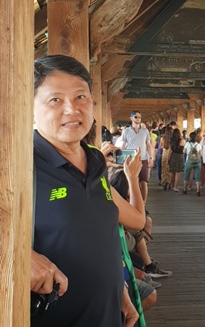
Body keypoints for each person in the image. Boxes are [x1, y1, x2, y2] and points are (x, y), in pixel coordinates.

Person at [32, 54, 146, 327]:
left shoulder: (95, 161)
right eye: (55, 100)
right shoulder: (17, 164)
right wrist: (18, 257)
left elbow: (96, 235)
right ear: (30, 106)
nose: (72, 109)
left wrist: (118, 290)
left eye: (81, 97)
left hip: (108, 313)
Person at [118, 111, 155, 202]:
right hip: (131, 160)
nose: (138, 118)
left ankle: (143, 204)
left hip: (143, 159)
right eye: (136, 117)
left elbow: (149, 145)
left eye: (139, 117)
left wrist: (151, 157)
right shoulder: (126, 131)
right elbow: (123, 145)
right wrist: (119, 158)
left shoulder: (145, 131)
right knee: (131, 182)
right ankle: (133, 203)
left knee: (144, 182)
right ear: (131, 118)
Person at [183, 131, 202, 195]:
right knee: (197, 177)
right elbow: (200, 154)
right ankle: (198, 191)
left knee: (186, 176)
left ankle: (185, 190)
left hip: (189, 161)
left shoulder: (187, 144)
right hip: (197, 162)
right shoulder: (198, 145)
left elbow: (184, 152)